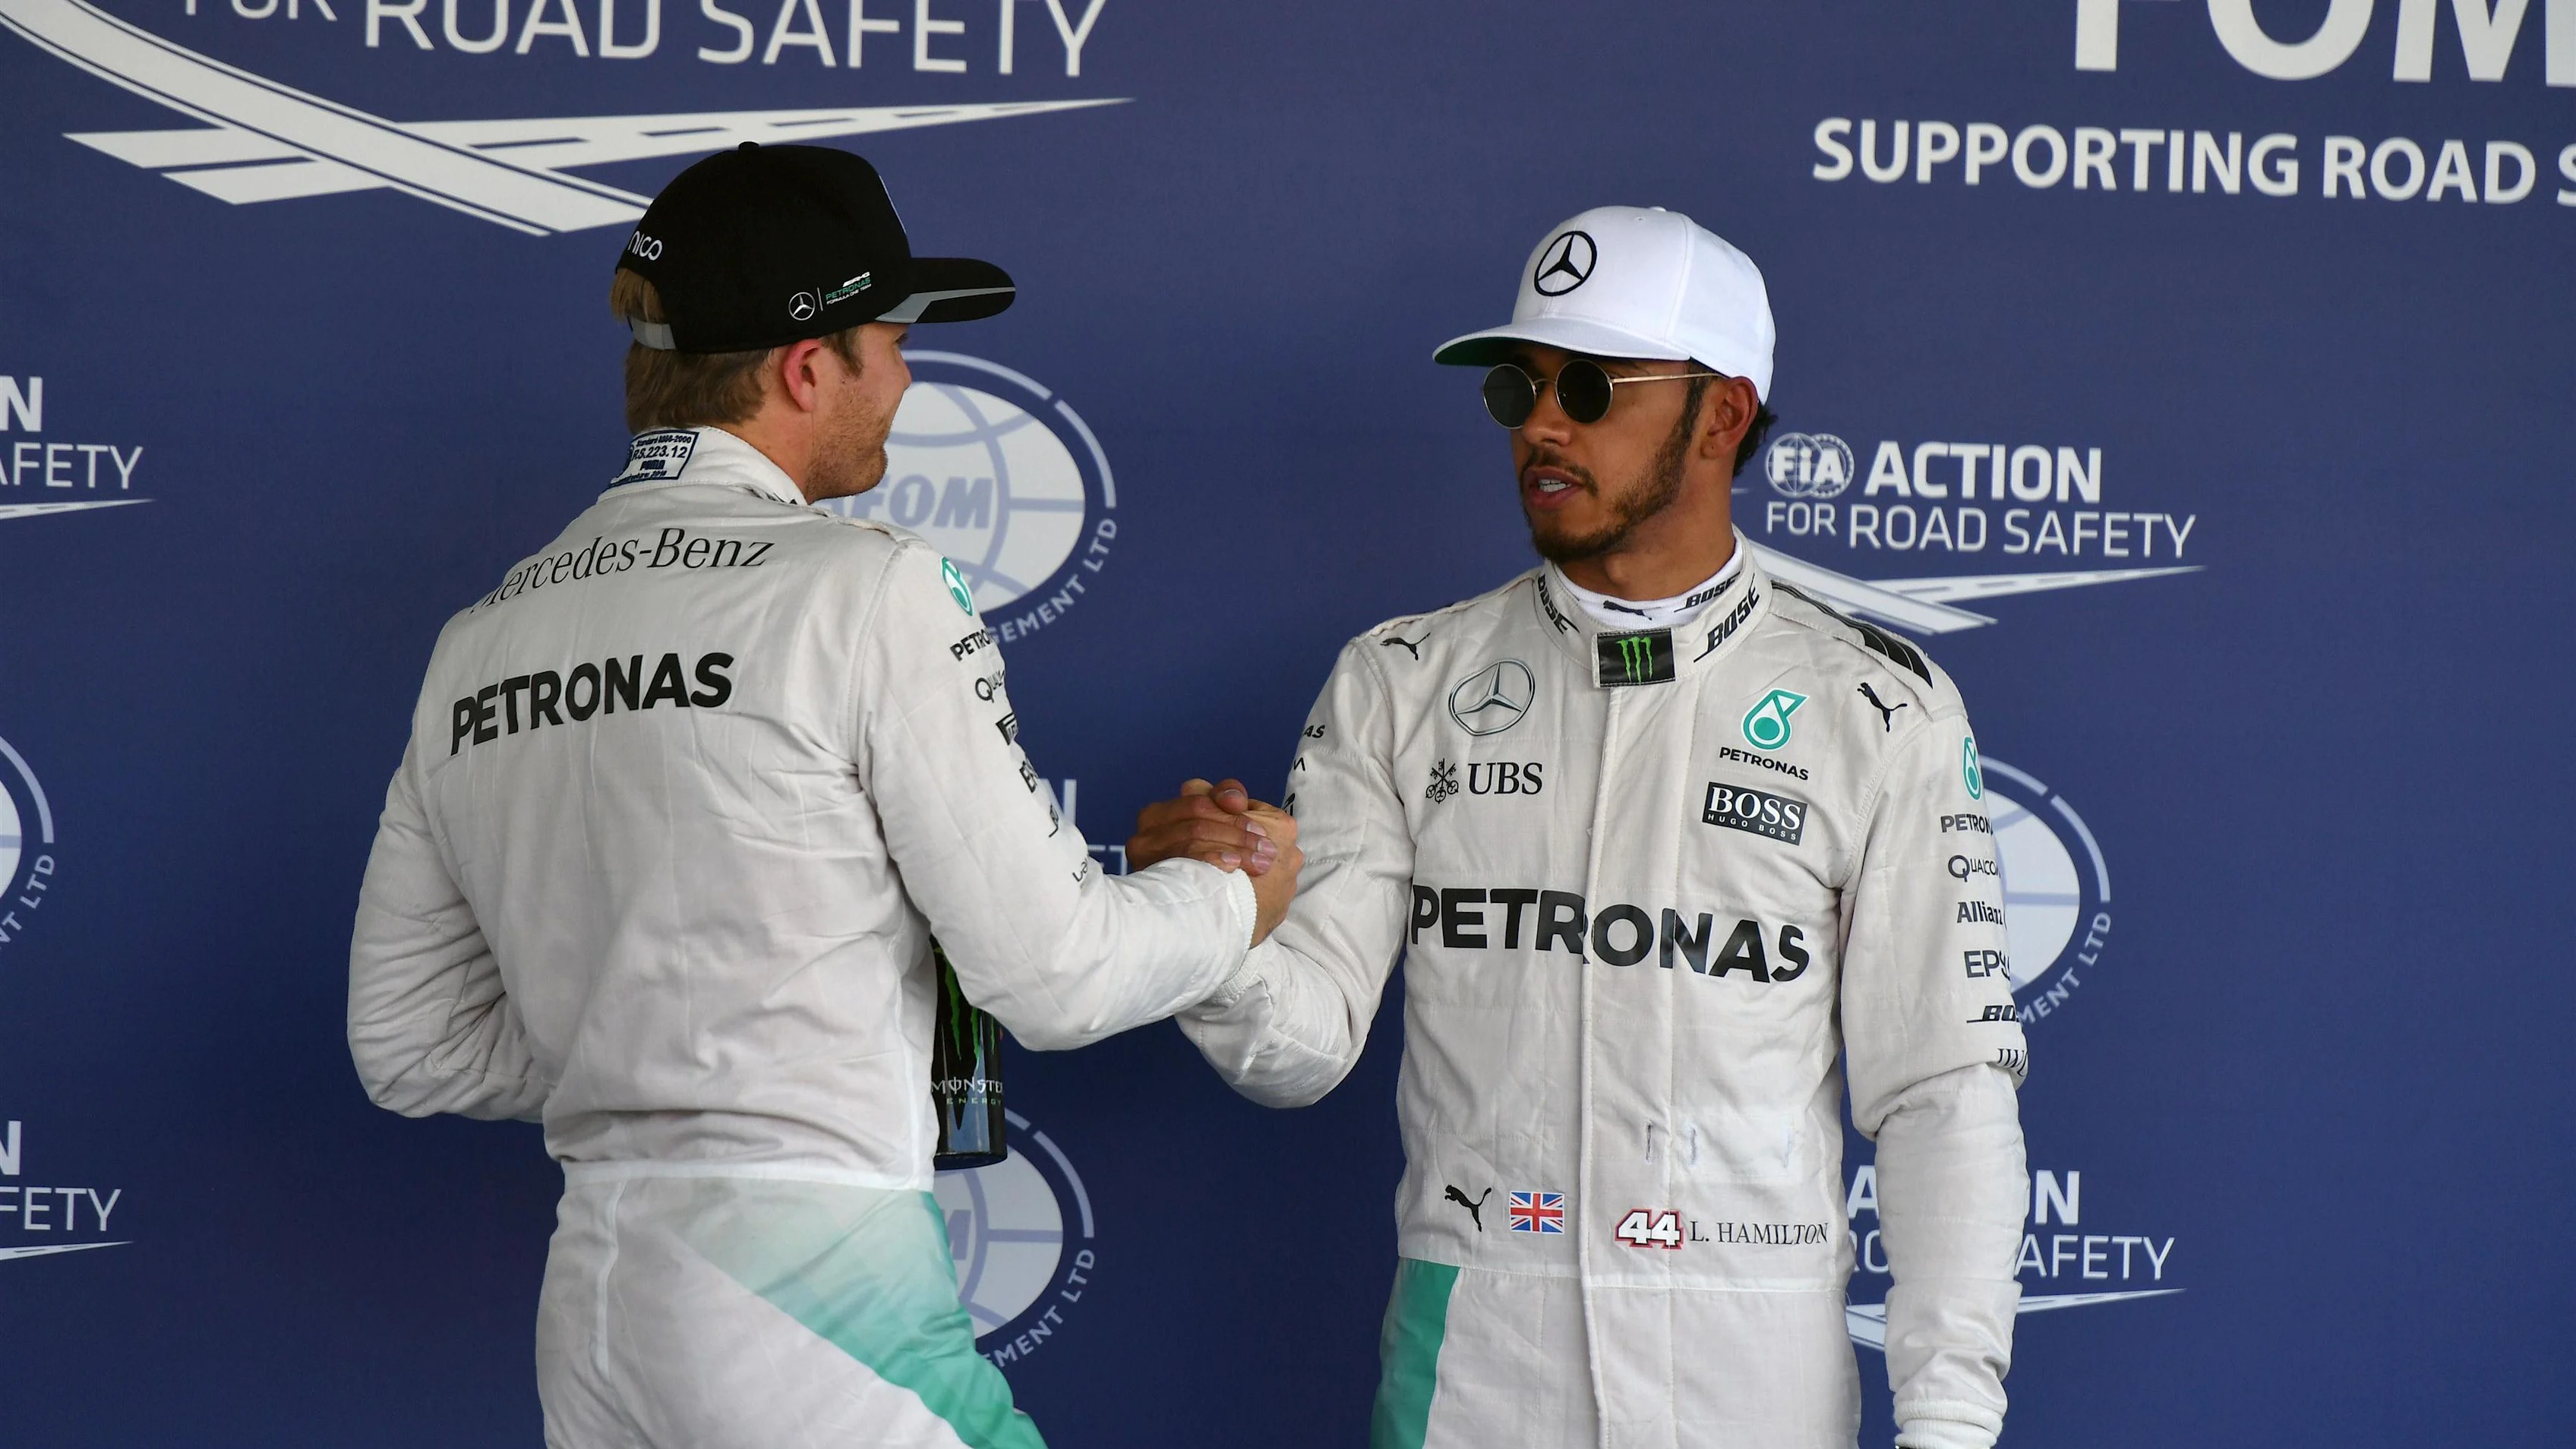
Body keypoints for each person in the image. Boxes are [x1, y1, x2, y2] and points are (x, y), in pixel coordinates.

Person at [346, 144, 1301, 1449]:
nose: (906, 375)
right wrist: (1232, 892)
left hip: (597, 1308)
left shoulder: (482, 635)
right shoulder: (868, 586)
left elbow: (409, 1045)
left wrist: (657, 1036)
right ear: (808, 366)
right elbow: (1061, 977)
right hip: (811, 1304)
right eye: (890, 339)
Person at [1131, 207, 2029, 1449]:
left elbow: (1943, 1096)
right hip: (1470, 1374)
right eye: (1522, 385)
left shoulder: (1877, 706)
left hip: (1749, 1381)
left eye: (1593, 386)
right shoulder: (1400, 680)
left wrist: (1948, 1428)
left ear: (1722, 416)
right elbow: (1303, 1049)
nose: (1544, 424)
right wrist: (1211, 927)